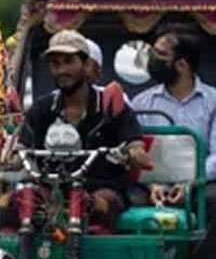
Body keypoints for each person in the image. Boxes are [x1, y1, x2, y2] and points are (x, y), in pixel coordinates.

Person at [132, 25, 216, 259]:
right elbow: (132, 149)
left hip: (199, 183)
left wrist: (190, 182)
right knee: (122, 204)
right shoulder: (142, 103)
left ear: (182, 65)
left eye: (160, 54)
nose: (152, 59)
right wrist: (150, 183)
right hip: (151, 183)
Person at [18, 29, 150, 228]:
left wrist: (134, 153)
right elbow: (21, 147)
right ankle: (16, 257)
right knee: (12, 202)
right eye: (55, 63)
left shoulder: (112, 106)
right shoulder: (41, 109)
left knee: (98, 205)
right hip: (51, 190)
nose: (61, 70)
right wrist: (11, 156)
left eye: (69, 61)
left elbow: (135, 145)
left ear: (87, 65)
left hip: (103, 190)